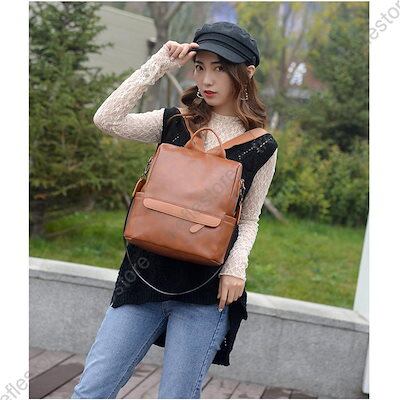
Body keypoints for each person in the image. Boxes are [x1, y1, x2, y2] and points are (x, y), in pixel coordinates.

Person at [71, 21, 278, 399]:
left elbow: (249, 218)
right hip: (144, 277)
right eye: (200, 66)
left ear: (246, 73)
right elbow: (107, 119)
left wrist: (236, 268)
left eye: (220, 68)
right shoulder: (174, 122)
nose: (206, 79)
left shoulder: (262, 146)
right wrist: (160, 63)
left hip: (205, 290)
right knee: (91, 391)